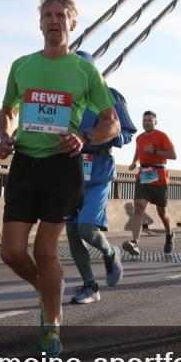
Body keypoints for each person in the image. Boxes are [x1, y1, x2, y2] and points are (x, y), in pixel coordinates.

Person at [0, 0, 120, 357]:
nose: (54, 20)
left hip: (63, 166)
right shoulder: (22, 66)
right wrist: (5, 135)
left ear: (72, 24)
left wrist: (85, 138)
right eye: (48, 15)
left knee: (44, 249)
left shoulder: (84, 71)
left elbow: (111, 122)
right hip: (25, 163)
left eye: (61, 15)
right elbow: (7, 110)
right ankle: (49, 290)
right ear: (40, 23)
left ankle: (51, 328)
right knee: (11, 252)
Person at [66, 51, 137, 304]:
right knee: (72, 232)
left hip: (99, 169)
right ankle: (90, 286)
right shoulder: (67, 98)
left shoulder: (111, 95)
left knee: (86, 227)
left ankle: (109, 253)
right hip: (71, 168)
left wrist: (109, 137)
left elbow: (126, 132)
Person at [124, 111, 177, 255]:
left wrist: (154, 151)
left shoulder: (162, 136)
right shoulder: (139, 138)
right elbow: (138, 151)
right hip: (143, 175)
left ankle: (169, 234)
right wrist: (134, 162)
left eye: (149, 120)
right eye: (144, 120)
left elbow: (173, 155)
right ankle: (135, 242)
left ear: (155, 122)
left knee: (162, 212)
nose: (146, 123)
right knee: (138, 206)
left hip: (159, 177)